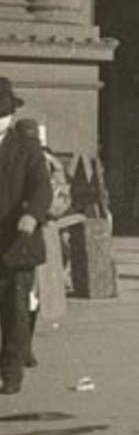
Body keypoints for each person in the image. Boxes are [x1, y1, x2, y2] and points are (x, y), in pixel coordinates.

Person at [0, 79, 53, 395]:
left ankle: (11, 373)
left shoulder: (26, 147)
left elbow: (41, 187)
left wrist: (32, 214)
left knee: (15, 309)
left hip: (18, 242)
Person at [13, 118, 70, 368]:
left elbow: (61, 200)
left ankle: (24, 346)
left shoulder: (48, 165)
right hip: (27, 232)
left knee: (32, 294)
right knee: (24, 294)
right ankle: (21, 347)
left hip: (41, 231)